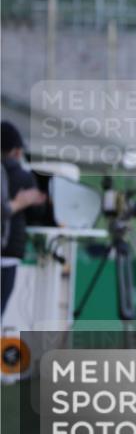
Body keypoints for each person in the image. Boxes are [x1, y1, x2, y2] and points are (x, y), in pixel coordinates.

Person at [1, 121, 46, 316]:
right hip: (9, 252)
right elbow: (38, 214)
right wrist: (23, 203)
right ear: (16, 151)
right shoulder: (24, 177)